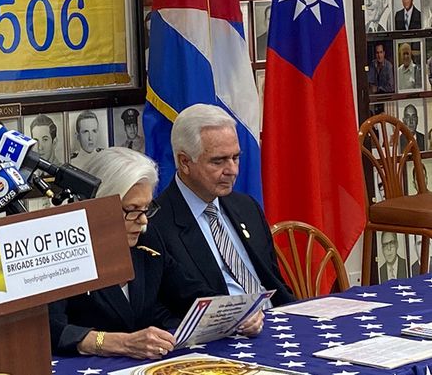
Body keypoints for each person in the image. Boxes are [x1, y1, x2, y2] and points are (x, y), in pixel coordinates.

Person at [49, 148, 242, 358]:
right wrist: (118, 343)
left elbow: (188, 293)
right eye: (132, 209)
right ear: (98, 206)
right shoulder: (63, 252)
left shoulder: (147, 240)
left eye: (147, 208)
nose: (143, 221)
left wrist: (234, 313)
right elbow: (52, 329)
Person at [151, 104, 295, 309]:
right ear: (184, 162)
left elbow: (275, 282)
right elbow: (160, 314)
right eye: (218, 161)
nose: (232, 170)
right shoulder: (156, 224)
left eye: (235, 157)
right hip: (221, 335)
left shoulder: (246, 207)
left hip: (277, 321)